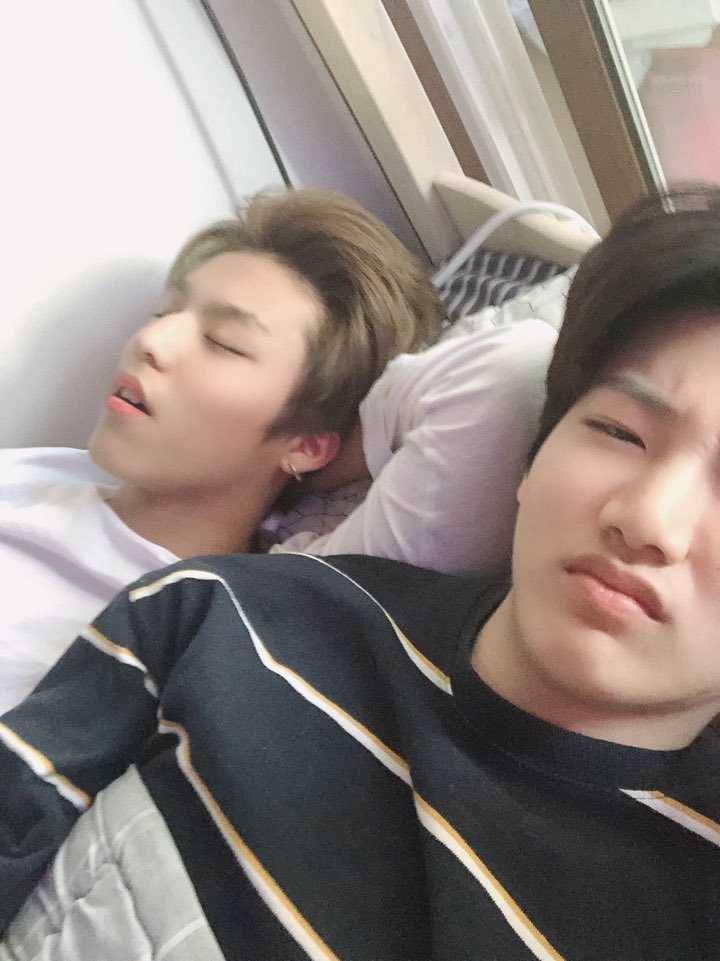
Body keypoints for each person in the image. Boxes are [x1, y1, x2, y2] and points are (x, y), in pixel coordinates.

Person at [6, 188, 720, 956]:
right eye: (618, 430)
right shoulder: (227, 612)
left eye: (225, 341)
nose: (647, 519)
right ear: (536, 452)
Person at [0, 187, 557, 714]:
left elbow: (514, 372)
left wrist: (319, 433)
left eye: (222, 343)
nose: (151, 341)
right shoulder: (36, 476)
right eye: (164, 313)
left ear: (312, 445)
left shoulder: (242, 611)